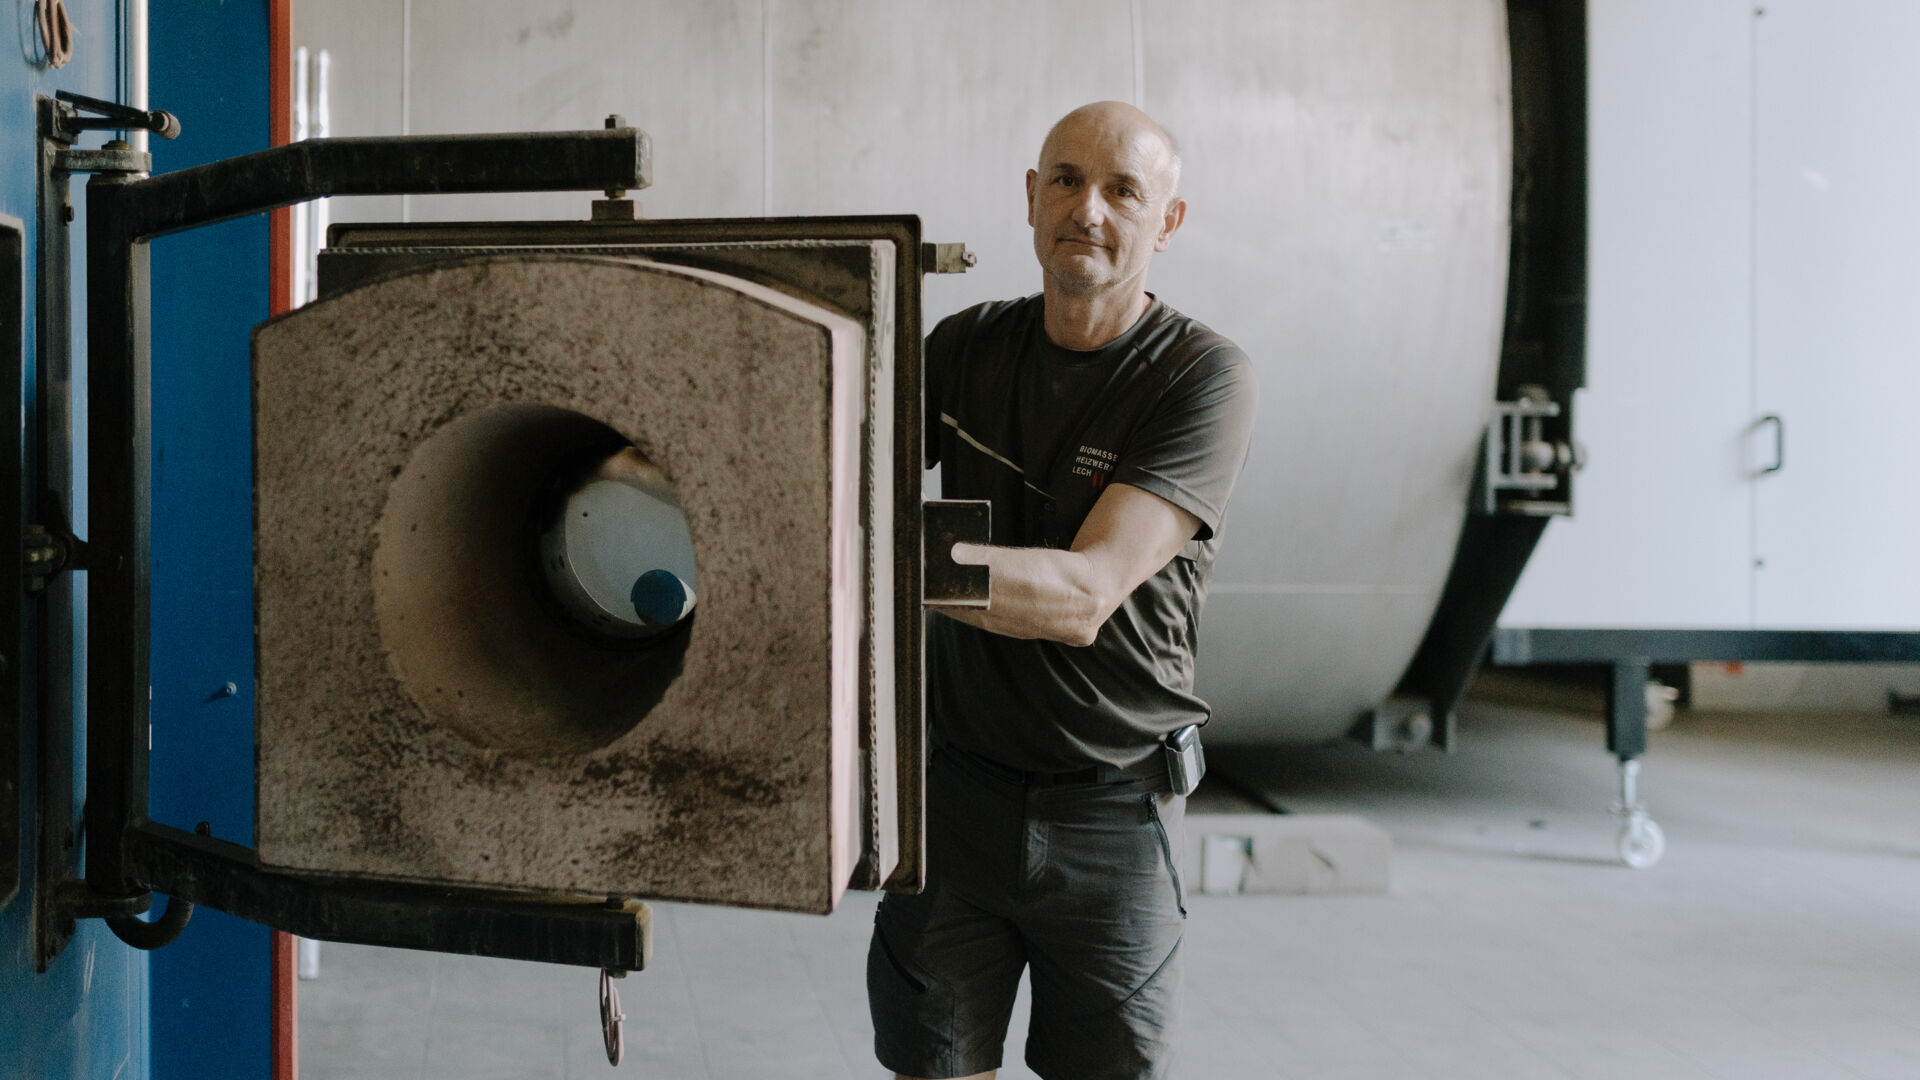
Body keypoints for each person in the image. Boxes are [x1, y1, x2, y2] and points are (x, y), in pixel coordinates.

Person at [866, 101, 1258, 1080]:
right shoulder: (965, 348)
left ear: (1165, 223)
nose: (1089, 208)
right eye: (1067, 180)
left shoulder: (1202, 377)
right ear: (1031, 198)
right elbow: (845, 464)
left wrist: (864, 550)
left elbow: (1085, 594)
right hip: (955, 798)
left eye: (1124, 189)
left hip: (1114, 812)